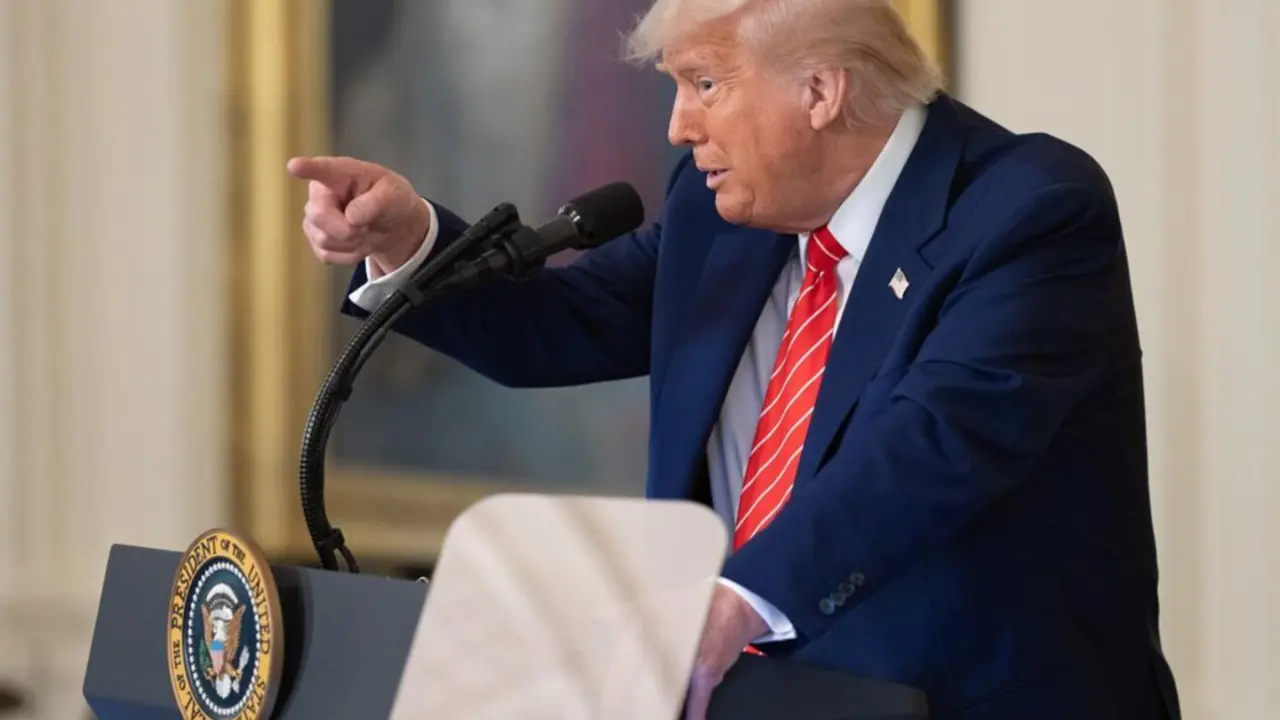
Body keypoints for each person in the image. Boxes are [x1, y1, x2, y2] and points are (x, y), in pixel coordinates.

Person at [287, 1, 1181, 717]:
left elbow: (930, 448)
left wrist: (728, 604)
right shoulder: (726, 215)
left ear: (821, 91)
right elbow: (565, 320)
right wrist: (412, 242)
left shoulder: (1028, 210)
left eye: (705, 83)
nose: (678, 126)